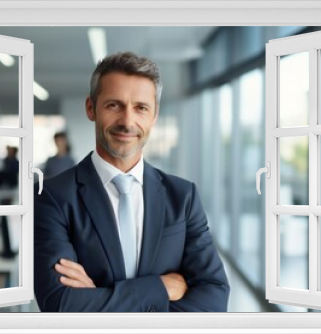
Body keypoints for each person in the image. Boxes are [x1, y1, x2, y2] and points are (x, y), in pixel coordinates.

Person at [34, 51, 229, 312]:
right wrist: (160, 288)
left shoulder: (183, 197)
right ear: (91, 108)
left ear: (154, 115)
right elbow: (60, 304)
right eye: (114, 105)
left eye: (141, 108)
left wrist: (98, 299)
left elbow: (214, 298)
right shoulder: (54, 198)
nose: (127, 122)